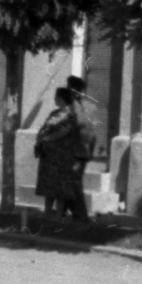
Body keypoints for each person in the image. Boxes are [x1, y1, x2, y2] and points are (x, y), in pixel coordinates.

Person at [33, 87, 82, 218]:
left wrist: (46, 138)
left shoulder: (71, 115)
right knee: (48, 187)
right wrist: (39, 139)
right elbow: (45, 127)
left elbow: (64, 131)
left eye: (56, 97)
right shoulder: (54, 113)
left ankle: (59, 216)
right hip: (48, 155)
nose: (54, 99)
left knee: (60, 189)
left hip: (61, 156)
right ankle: (47, 213)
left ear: (61, 98)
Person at [65, 74, 100, 221]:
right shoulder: (90, 107)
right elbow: (93, 134)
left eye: (71, 88)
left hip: (75, 151)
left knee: (74, 183)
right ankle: (73, 213)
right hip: (82, 150)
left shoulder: (71, 108)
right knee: (70, 183)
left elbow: (90, 132)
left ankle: (82, 215)